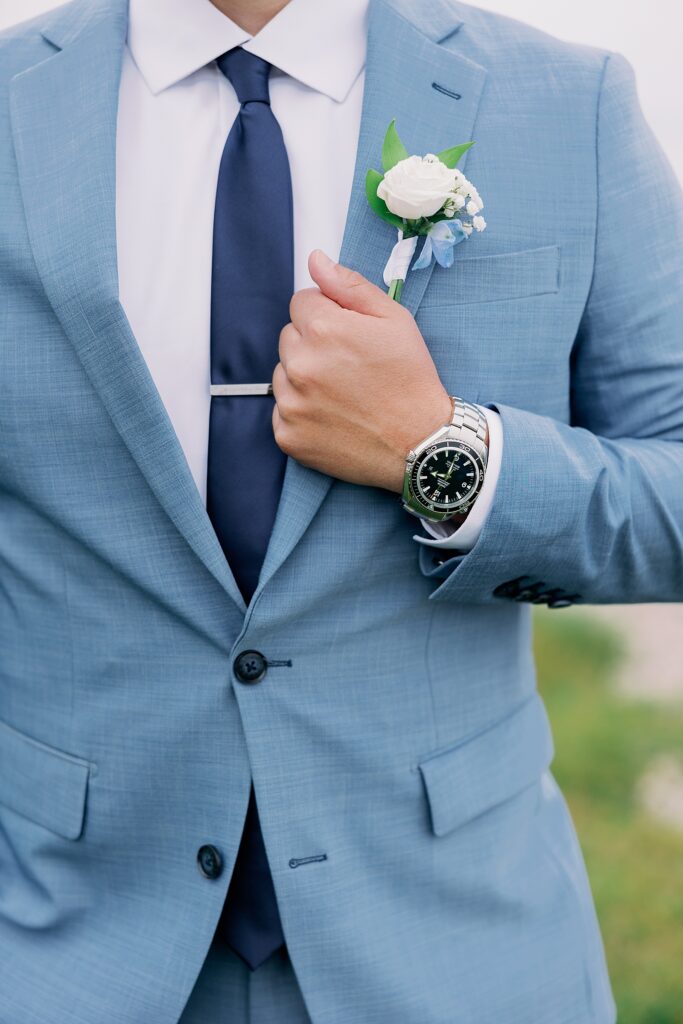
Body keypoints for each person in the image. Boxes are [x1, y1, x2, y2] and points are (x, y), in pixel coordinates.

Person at [1, 0, 682, 1020]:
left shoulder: (566, 105)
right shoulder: (18, 102)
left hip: (453, 953)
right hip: (58, 949)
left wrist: (439, 451)